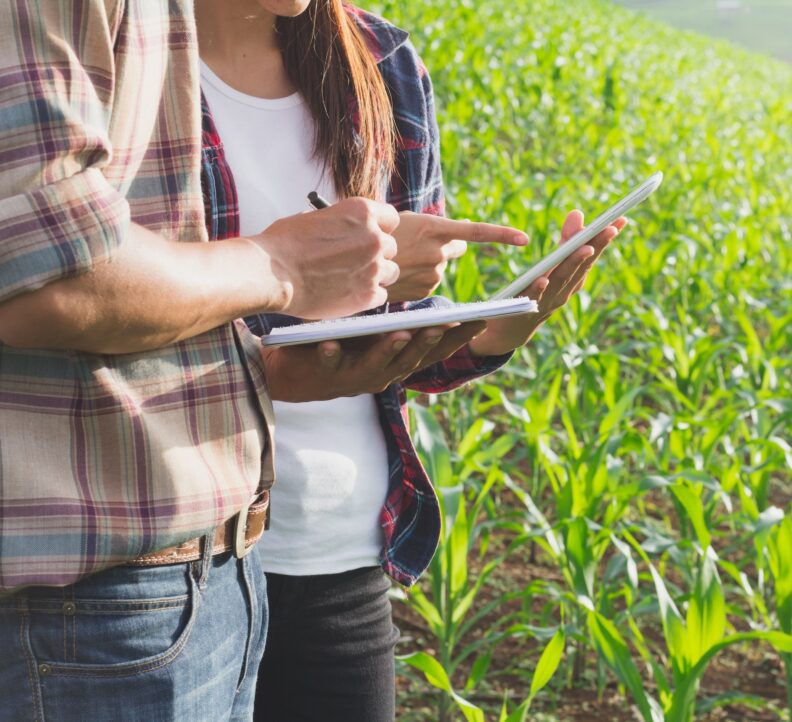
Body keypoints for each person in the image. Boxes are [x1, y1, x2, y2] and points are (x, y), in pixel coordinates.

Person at [0, 2, 437, 720]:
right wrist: (280, 267)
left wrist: (484, 331)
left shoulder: (380, 61)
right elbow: (53, 275)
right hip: (106, 578)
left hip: (235, 558)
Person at [195, 1, 625, 721]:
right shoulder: (126, 61)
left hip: (342, 557)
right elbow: (100, 307)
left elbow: (396, 352)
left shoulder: (382, 63)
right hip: (180, 569)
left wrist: (496, 329)